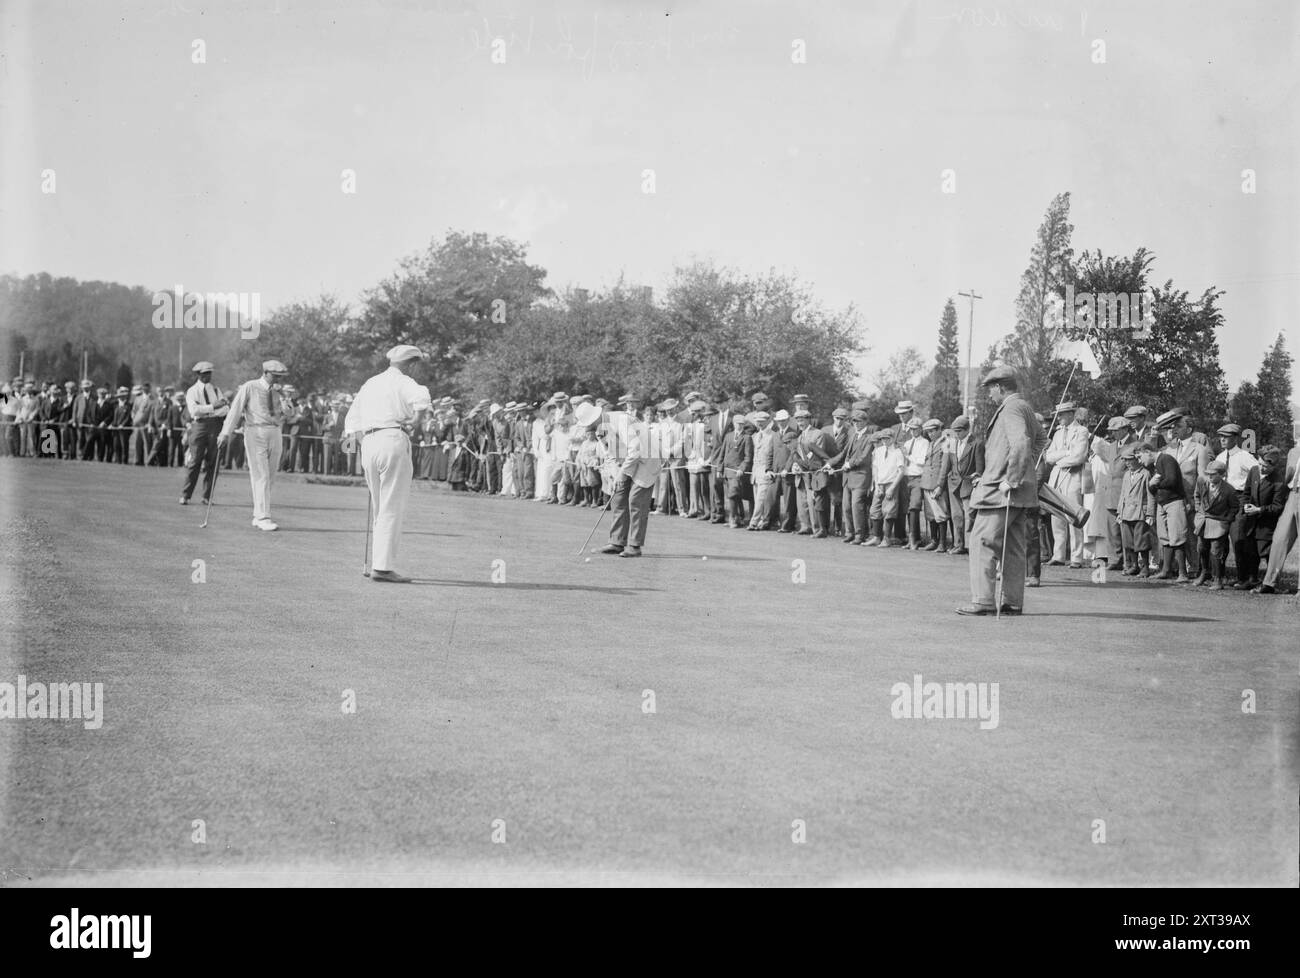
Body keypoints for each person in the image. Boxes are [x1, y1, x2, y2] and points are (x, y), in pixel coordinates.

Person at [957, 366, 1046, 616]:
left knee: (981, 541)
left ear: (999, 387)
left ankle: (984, 601)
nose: (989, 395)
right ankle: (1012, 602)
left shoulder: (1011, 408)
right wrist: (1026, 469)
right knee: (1013, 548)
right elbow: (1040, 440)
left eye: (990, 390)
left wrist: (1014, 477)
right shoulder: (1024, 407)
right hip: (1017, 493)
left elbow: (1023, 442)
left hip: (1001, 490)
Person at [344, 346, 432, 583]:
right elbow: (422, 399)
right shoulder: (405, 382)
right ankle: (382, 568)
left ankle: (378, 563)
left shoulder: (370, 383)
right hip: (392, 438)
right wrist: (416, 420)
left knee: (380, 506)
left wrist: (364, 440)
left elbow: (351, 421)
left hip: (369, 443)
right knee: (392, 505)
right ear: (411, 364)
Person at [219, 360, 289, 531]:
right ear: (265, 373)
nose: (278, 379)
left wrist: (286, 399)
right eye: (275, 376)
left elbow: (288, 413)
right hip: (255, 431)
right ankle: (264, 517)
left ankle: (258, 514)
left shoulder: (279, 391)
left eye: (280, 376)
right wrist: (225, 432)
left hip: (275, 431)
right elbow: (235, 410)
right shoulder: (250, 386)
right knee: (261, 475)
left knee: (270, 476)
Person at [600, 393, 662, 557]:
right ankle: (617, 541)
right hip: (629, 461)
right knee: (619, 497)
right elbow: (610, 454)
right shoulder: (600, 428)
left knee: (636, 500)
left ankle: (634, 545)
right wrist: (615, 476)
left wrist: (621, 475)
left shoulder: (621, 421)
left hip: (647, 460)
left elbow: (635, 450)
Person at [1254, 443, 1300, 594]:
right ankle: (1269, 583)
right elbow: (1287, 477)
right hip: (1292, 495)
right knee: (1279, 539)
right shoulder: (1293, 452)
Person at [181, 362, 229, 504]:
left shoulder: (215, 390)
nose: (208, 376)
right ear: (198, 374)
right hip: (200, 426)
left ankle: (207, 497)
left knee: (213, 462)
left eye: (209, 373)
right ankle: (186, 495)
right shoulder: (192, 391)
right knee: (195, 461)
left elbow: (225, 409)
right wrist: (213, 407)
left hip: (215, 425)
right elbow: (194, 411)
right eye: (205, 373)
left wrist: (209, 409)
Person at [1193, 459, 1238, 590]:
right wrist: (1198, 508)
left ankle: (1218, 579)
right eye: (1208, 474)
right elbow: (1196, 495)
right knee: (1201, 548)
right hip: (1203, 520)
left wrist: (1226, 520)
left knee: (1216, 551)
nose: (1210, 476)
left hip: (1219, 522)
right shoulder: (1202, 481)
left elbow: (1234, 507)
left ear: (1222, 474)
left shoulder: (1229, 490)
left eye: (1213, 474)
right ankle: (1204, 572)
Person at [941, 415, 981, 556]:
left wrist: (976, 482)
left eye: (959, 431)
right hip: (954, 484)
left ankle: (972, 546)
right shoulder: (952, 443)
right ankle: (959, 544)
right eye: (955, 431)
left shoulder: (976, 443)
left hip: (969, 485)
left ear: (967, 430)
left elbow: (980, 468)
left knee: (969, 516)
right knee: (956, 516)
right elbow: (948, 465)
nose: (957, 434)